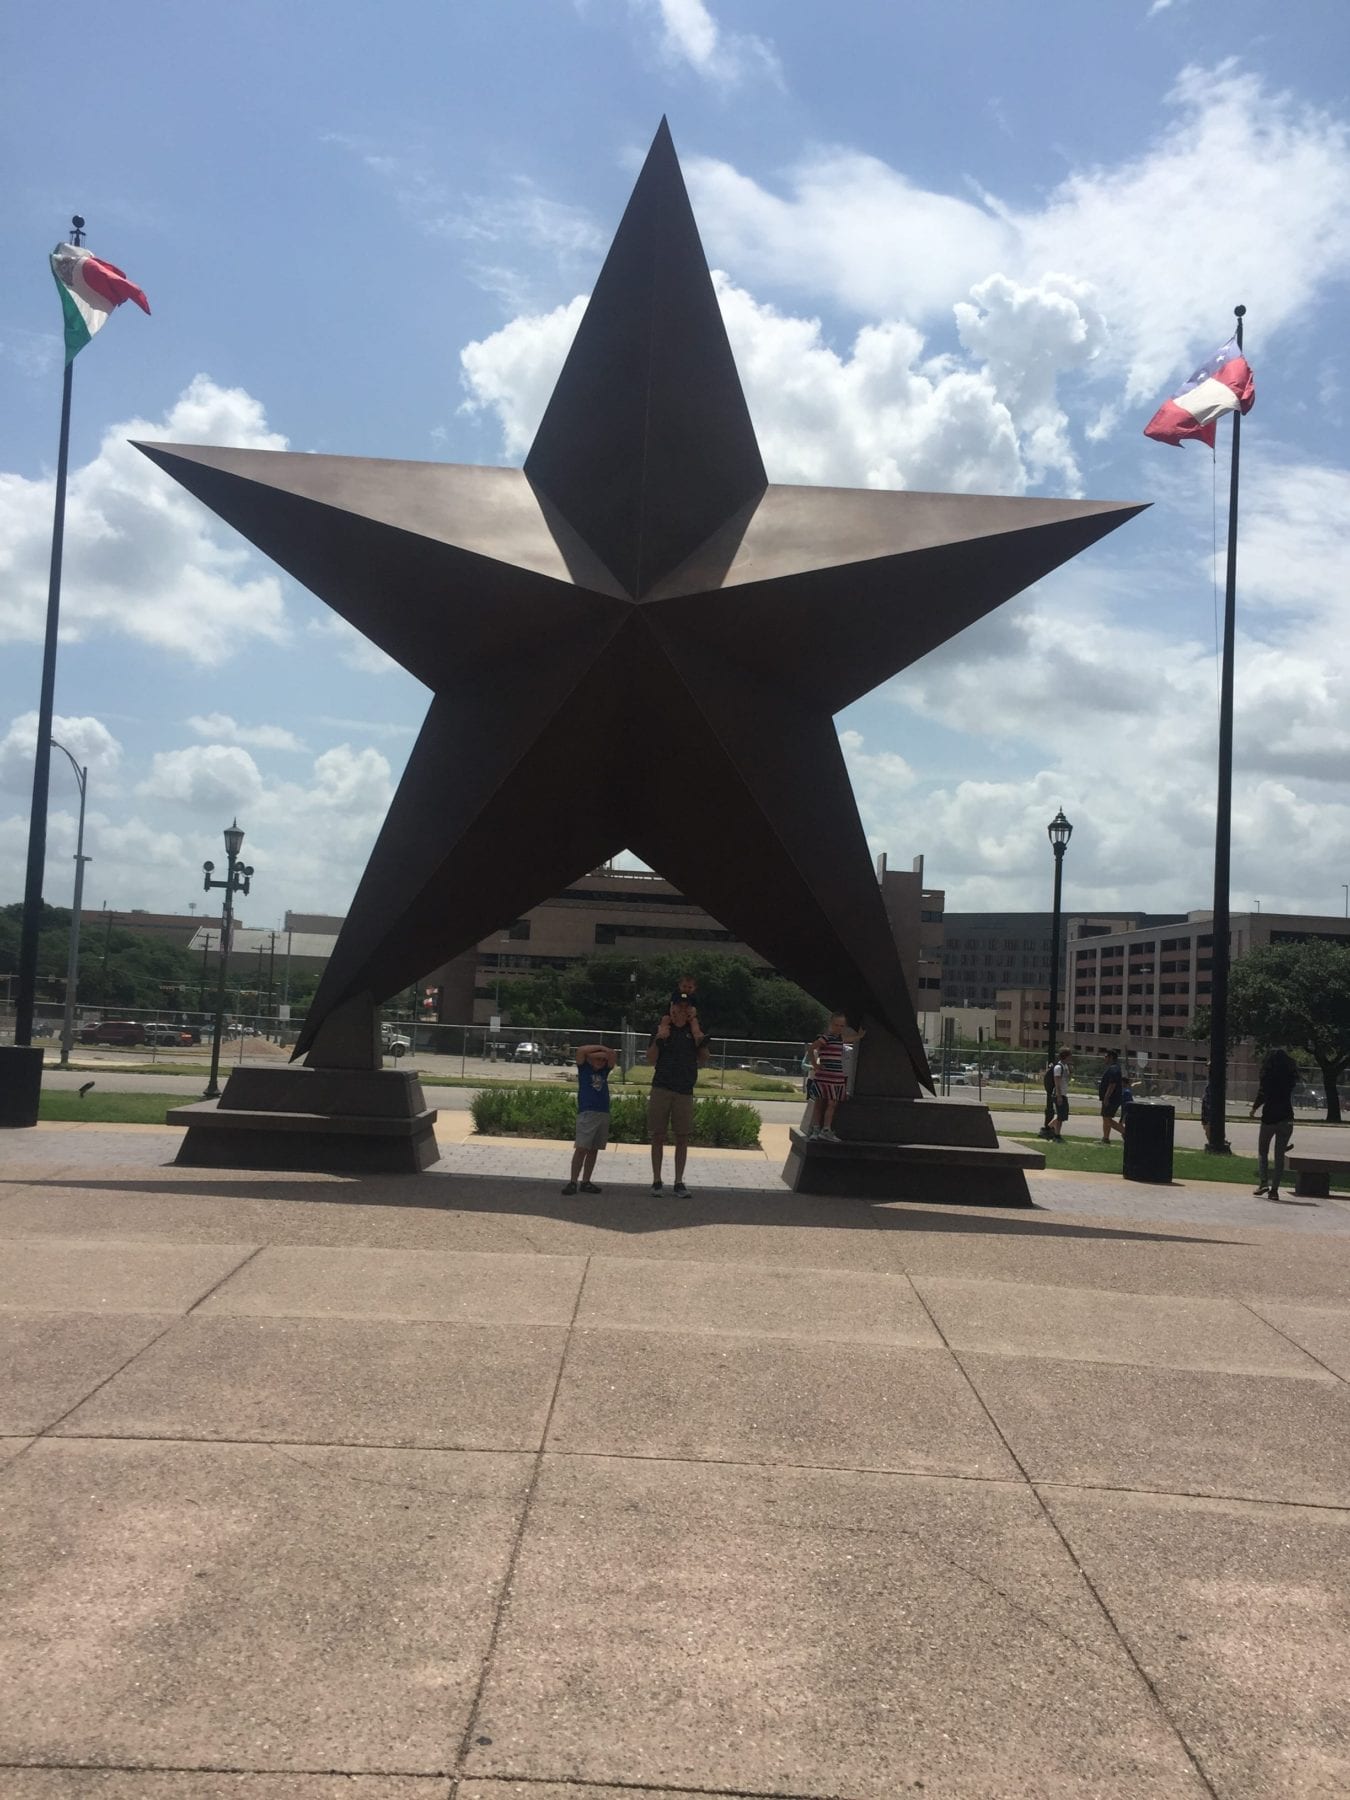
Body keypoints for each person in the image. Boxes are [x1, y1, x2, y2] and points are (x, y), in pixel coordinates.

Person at [646, 992, 711, 1197]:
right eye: (678, 1006)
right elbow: (650, 1059)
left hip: (684, 1090)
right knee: (658, 1135)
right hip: (662, 1087)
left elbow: (704, 1059)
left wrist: (698, 1037)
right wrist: (659, 1039)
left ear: (691, 1010)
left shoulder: (695, 1031)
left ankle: (679, 1181)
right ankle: (657, 1180)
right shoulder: (662, 1028)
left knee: (682, 1137)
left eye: (686, 1007)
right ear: (671, 1006)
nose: (681, 1010)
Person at [561, 1041, 617, 1196]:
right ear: (590, 1060)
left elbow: (613, 1055)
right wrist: (603, 1049)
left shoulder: (604, 1071)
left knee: (594, 1149)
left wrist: (605, 1052)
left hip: (602, 1112)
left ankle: (586, 1181)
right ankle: (573, 1181)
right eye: (597, 1059)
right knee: (582, 1148)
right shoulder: (584, 1069)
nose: (600, 1062)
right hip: (587, 1112)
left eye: (602, 1060)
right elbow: (580, 1050)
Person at [804, 1012, 865, 1141]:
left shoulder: (840, 1039)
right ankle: (816, 1128)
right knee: (819, 1103)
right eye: (836, 1025)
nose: (839, 1028)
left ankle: (826, 1129)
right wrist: (815, 1065)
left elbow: (850, 1039)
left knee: (832, 1103)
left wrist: (859, 1035)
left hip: (836, 1076)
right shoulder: (825, 1038)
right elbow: (811, 1049)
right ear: (830, 1024)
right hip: (824, 1075)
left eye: (842, 1026)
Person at [1250, 1046, 1299, 1200]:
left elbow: (1262, 1093)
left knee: (1263, 1151)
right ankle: (1274, 1191)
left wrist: (1254, 1109)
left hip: (1269, 1117)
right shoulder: (1290, 1077)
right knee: (1279, 1156)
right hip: (1286, 1117)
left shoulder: (1267, 1075)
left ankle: (1264, 1182)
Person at [1098, 1047, 1125, 1143]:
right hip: (1111, 1098)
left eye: (1106, 1056)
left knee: (1107, 1119)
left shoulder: (1114, 1069)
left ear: (1111, 1057)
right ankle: (1105, 1139)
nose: (1104, 1058)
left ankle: (1126, 1133)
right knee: (1106, 1118)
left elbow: (1112, 1084)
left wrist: (1106, 1097)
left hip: (1111, 1099)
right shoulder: (1114, 1068)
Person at [1048, 1047, 1071, 1140]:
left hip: (1063, 1094)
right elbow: (1057, 1082)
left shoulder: (1065, 1066)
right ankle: (1056, 1135)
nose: (1071, 1057)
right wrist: (1059, 1096)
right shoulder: (1058, 1067)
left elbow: (1066, 1079)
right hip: (1059, 1094)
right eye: (1070, 1056)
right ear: (1065, 1056)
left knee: (1063, 1115)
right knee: (1061, 1116)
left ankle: (1048, 1128)